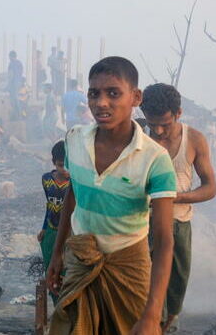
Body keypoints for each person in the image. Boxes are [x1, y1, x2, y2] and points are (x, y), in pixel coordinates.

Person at [47, 56, 177, 335]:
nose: (101, 103)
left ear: (135, 97)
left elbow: (165, 239)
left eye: (113, 93)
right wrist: (57, 253)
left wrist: (153, 315)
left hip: (128, 266)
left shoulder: (155, 159)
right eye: (94, 93)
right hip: (81, 259)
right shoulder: (74, 139)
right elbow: (74, 193)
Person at [140, 83, 216, 332]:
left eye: (165, 123)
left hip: (178, 224)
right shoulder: (137, 136)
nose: (159, 131)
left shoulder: (194, 140)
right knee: (144, 290)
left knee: (174, 289)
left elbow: (210, 187)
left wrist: (173, 198)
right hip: (139, 224)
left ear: (178, 113)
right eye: (153, 124)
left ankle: (165, 326)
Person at [38, 140, 70, 303]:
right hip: (51, 231)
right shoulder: (46, 180)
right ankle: (57, 305)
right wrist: (44, 227)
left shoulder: (75, 183)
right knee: (51, 270)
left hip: (70, 233)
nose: (64, 170)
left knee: (66, 271)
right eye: (60, 165)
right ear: (53, 163)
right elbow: (50, 206)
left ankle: (67, 307)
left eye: (67, 165)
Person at [7, 51, 24, 119]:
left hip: (13, 84)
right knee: (17, 98)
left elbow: (11, 75)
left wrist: (8, 85)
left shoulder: (11, 64)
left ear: (11, 56)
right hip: (18, 83)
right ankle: (19, 113)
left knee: (14, 100)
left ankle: (17, 114)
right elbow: (21, 73)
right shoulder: (20, 63)